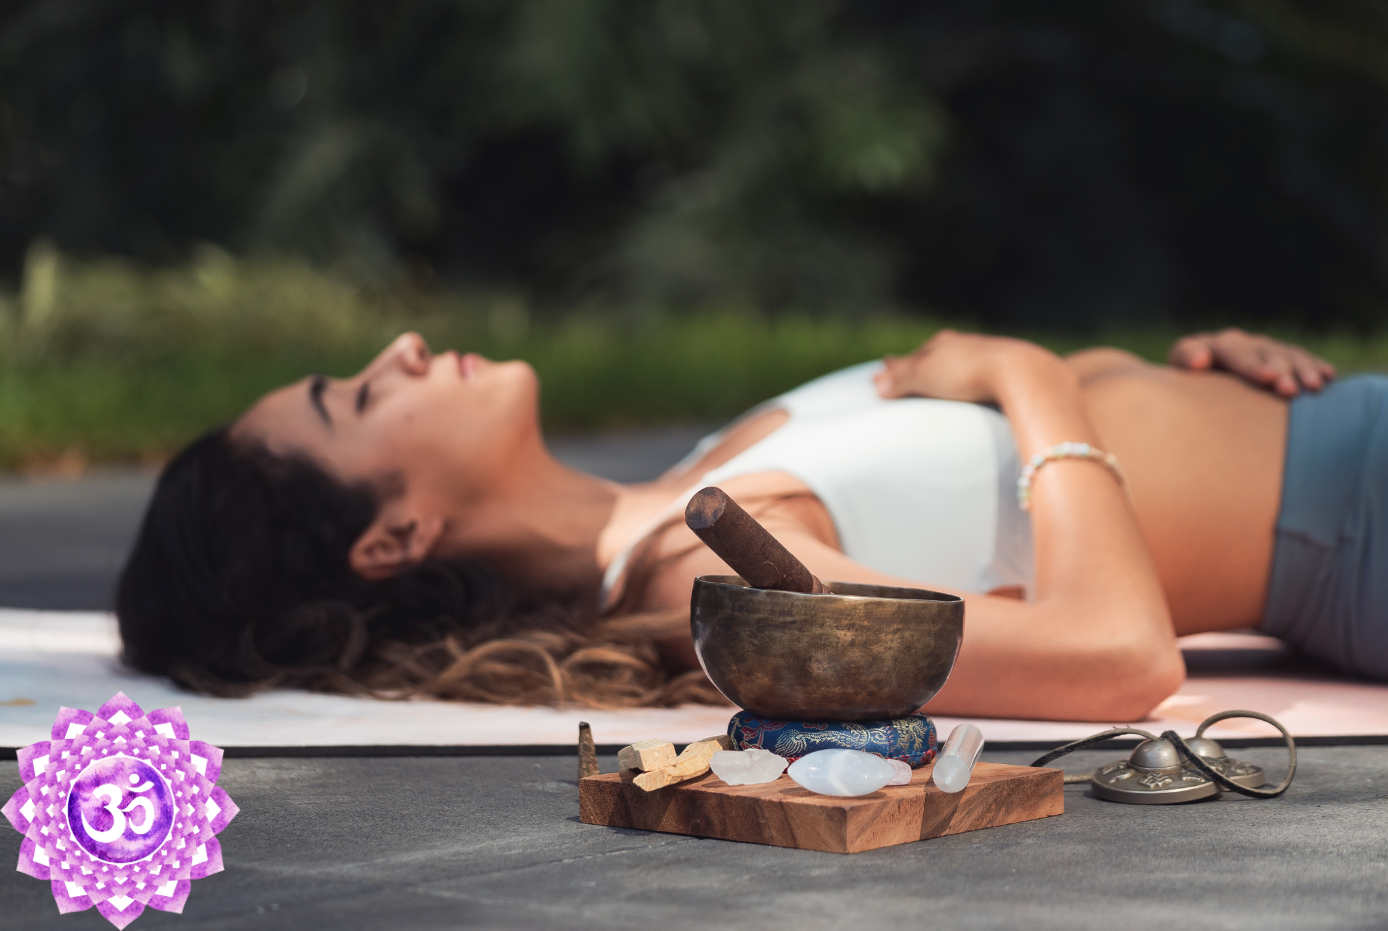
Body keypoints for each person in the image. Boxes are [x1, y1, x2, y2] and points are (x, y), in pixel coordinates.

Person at [116, 326, 1385, 722]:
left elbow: (997, 489)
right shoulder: (700, 582)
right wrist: (1030, 374)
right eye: (354, 398)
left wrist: (1167, 369)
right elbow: (1117, 658)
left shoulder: (689, 479)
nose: (395, 352)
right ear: (389, 538)